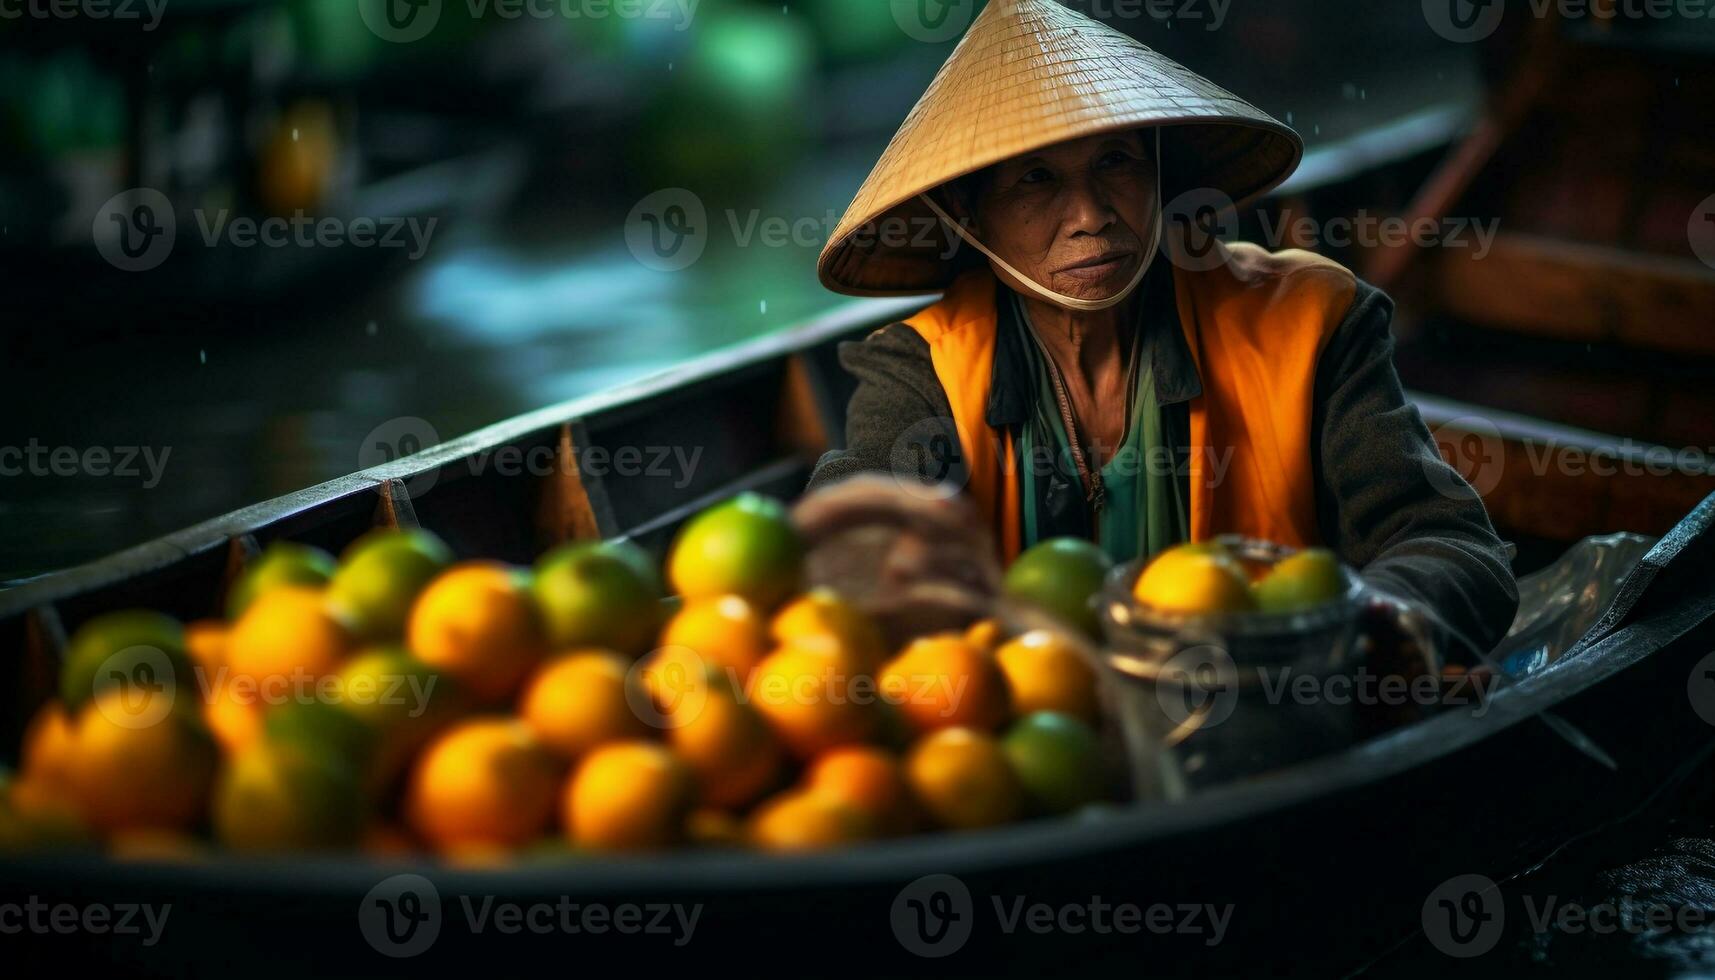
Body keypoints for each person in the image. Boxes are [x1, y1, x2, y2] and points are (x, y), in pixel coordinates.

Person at [809, 0, 1518, 656]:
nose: (1090, 214)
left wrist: (1368, 627)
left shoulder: (1307, 319)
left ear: (1156, 173)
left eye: (1114, 162)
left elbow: (1448, 544)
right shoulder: (922, 366)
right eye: (1034, 179)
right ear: (968, 217)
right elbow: (849, 543)